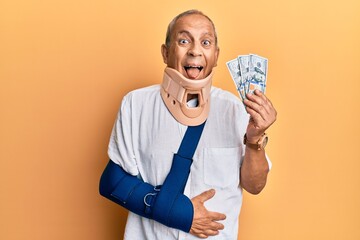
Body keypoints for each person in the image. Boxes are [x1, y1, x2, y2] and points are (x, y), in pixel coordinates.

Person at [99, 9, 277, 239]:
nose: (195, 50)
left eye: (205, 42)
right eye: (184, 41)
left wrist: (254, 141)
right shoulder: (136, 104)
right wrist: (180, 213)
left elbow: (255, 186)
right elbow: (113, 182)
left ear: (216, 55)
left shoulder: (235, 109)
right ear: (165, 52)